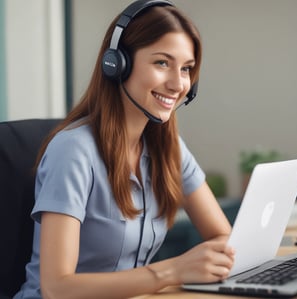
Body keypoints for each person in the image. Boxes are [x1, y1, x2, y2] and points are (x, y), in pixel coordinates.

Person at [14, 0, 235, 298]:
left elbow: (223, 237)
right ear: (117, 63)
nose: (177, 83)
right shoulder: (74, 151)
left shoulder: (168, 147)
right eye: (162, 63)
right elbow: (57, 287)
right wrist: (172, 271)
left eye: (186, 69)